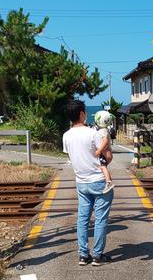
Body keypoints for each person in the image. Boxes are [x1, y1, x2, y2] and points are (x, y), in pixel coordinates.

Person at [63, 100, 114, 266]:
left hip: (81, 182)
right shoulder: (93, 133)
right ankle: (97, 255)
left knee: (82, 219)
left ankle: (83, 255)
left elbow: (72, 156)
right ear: (82, 114)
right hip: (99, 181)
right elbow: (107, 158)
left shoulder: (66, 136)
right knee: (100, 219)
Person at [92, 110, 115, 194]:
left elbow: (105, 141)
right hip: (108, 154)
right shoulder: (105, 130)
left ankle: (108, 182)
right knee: (104, 166)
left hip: (105, 154)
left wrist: (99, 150)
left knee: (102, 167)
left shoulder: (102, 131)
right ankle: (109, 180)